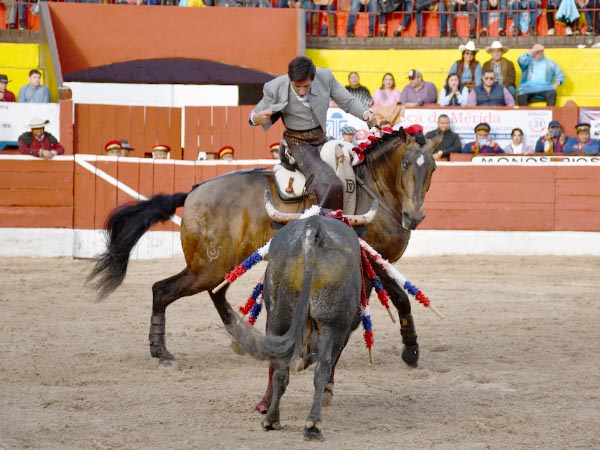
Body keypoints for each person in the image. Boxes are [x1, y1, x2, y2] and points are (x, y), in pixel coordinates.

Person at [249, 56, 376, 210]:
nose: (302, 91)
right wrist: (256, 118)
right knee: (329, 183)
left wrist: (365, 114)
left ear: (313, 79)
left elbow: (348, 101)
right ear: (289, 79)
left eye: (306, 86)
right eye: (297, 86)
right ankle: (326, 225)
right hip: (297, 144)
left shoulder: (325, 77)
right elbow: (254, 114)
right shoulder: (275, 87)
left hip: (322, 139)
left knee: (351, 169)